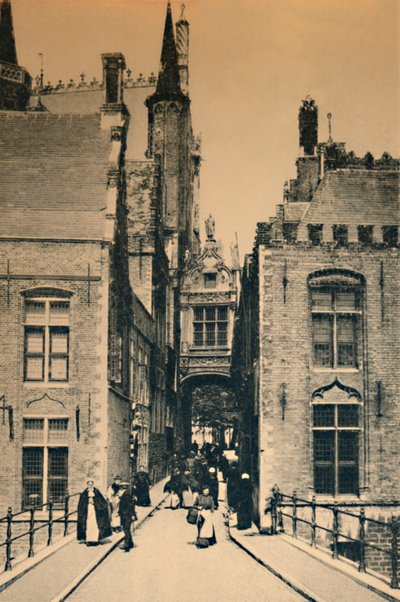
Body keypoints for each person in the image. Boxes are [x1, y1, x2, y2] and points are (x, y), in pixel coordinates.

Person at [77, 480, 112, 546]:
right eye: (89, 484)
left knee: (95, 525)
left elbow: (101, 501)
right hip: (87, 511)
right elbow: (81, 504)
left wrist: (95, 503)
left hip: (95, 512)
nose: (90, 486)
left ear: (93, 485)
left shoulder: (96, 492)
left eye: (91, 484)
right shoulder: (84, 493)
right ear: (87, 485)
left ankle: (95, 539)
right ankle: (88, 540)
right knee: (88, 525)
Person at [118, 482, 138, 552]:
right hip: (124, 514)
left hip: (127, 515)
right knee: (126, 529)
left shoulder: (126, 494)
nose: (121, 488)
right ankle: (131, 543)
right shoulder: (126, 493)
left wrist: (132, 515)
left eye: (123, 486)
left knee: (126, 530)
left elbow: (130, 505)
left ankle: (126, 546)